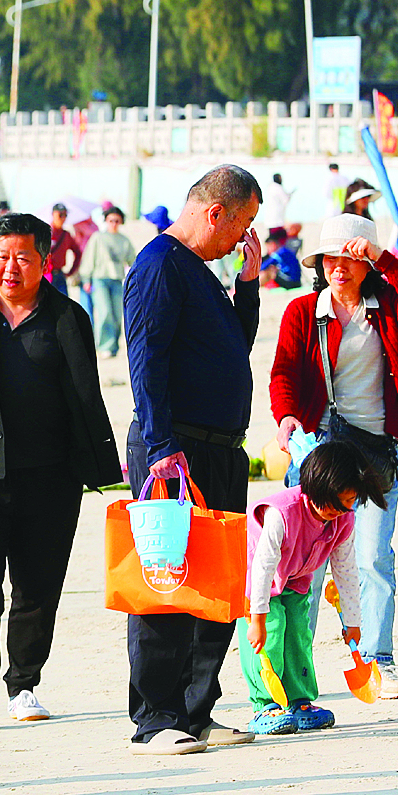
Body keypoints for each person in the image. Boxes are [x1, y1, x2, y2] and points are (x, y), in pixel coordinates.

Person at [0, 213, 121, 727]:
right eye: (1, 256)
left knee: (37, 585)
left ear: (45, 260)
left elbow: (86, 395)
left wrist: (101, 466)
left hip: (50, 475)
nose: (10, 268)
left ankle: (23, 686)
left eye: (22, 257)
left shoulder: (67, 317)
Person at [121, 164, 265, 756]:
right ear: (217, 213)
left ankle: (195, 710)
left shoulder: (205, 272)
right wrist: (159, 446)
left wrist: (248, 284)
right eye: (244, 224)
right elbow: (145, 359)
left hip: (220, 449)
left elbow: (234, 345)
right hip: (173, 449)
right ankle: (155, 718)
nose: (243, 237)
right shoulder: (159, 264)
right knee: (165, 584)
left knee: (217, 588)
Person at [267, 214, 398, 700]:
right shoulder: (302, 312)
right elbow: (283, 373)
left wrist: (382, 256)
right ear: (320, 263)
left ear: (366, 264)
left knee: (373, 558)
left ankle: (379, 663)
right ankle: (296, 670)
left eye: (351, 257)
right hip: (320, 453)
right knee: (307, 566)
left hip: (377, 450)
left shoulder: (384, 309)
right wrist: (286, 417)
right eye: (332, 257)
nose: (340, 265)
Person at [243, 440, 375, 736]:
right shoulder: (283, 513)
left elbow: (345, 569)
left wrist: (353, 622)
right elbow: (262, 567)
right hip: (257, 583)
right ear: (315, 488)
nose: (339, 510)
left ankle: (299, 700)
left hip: (295, 580)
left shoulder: (343, 520)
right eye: (334, 503)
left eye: (348, 502)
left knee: (299, 636)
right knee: (270, 637)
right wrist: (257, 619)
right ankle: (265, 705)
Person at [75, 207, 136, 356]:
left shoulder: (124, 240)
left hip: (116, 280)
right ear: (106, 221)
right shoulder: (98, 237)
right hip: (99, 279)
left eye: (117, 220)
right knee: (104, 312)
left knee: (116, 314)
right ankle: (104, 346)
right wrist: (86, 279)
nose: (114, 223)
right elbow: (89, 259)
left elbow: (133, 261)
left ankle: (114, 346)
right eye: (111, 220)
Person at [42, 204, 81, 296]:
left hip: (59, 274)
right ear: (53, 215)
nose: (63, 218)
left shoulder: (66, 235)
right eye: (60, 215)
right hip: (46, 274)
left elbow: (78, 253)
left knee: (64, 306)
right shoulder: (44, 233)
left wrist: (71, 271)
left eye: (65, 215)